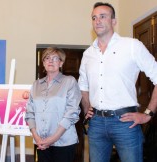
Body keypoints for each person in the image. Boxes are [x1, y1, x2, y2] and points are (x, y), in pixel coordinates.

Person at [78, 2, 157, 162]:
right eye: (94, 18)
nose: (97, 21)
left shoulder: (132, 46)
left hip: (125, 123)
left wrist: (148, 114)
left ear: (114, 21)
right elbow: (83, 87)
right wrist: (87, 111)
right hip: (96, 124)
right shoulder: (88, 54)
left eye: (102, 16)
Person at [25, 47, 81, 162]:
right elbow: (30, 113)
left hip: (63, 142)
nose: (50, 61)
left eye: (55, 58)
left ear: (61, 63)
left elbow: (72, 112)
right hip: (41, 143)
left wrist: (53, 138)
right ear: (43, 63)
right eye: (47, 58)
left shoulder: (69, 81)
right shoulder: (36, 85)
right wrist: (36, 137)